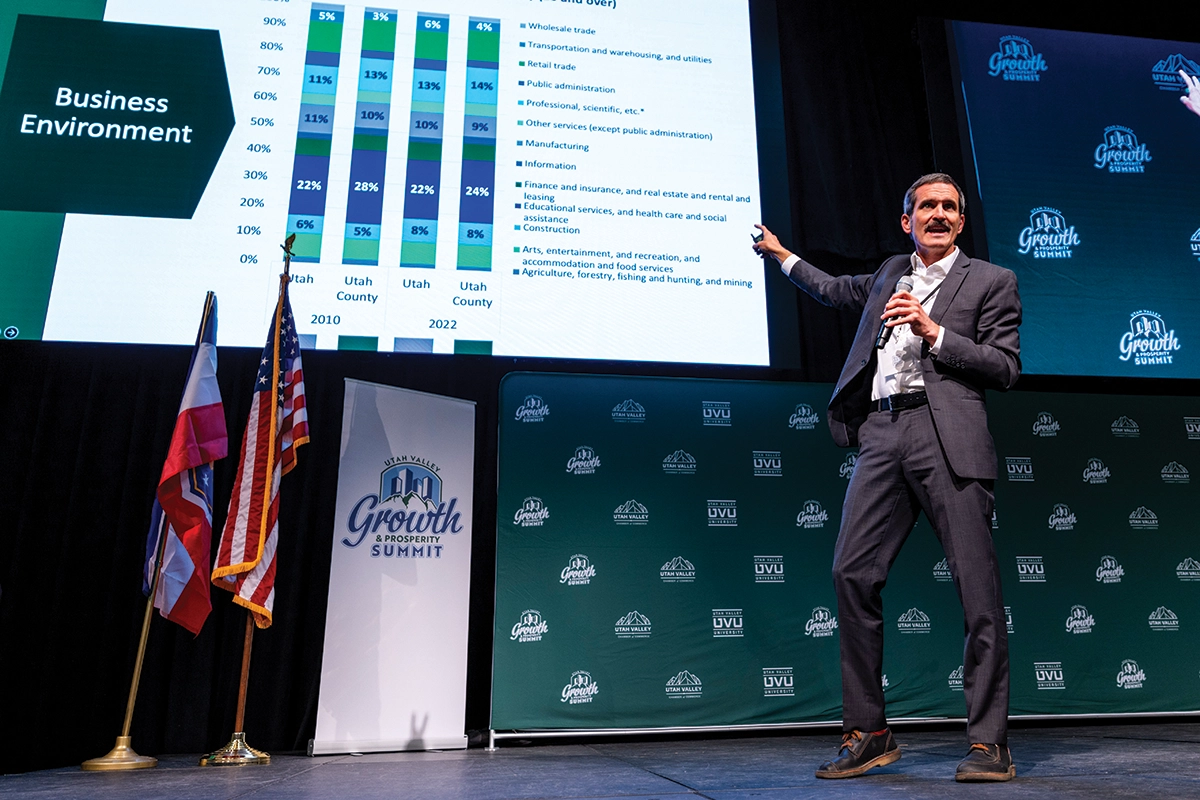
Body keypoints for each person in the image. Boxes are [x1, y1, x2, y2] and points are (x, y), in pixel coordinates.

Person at [754, 173, 1021, 782]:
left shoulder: (991, 281)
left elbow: (1005, 366)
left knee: (978, 593)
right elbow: (830, 288)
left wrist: (936, 333)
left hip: (946, 434)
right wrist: (780, 254)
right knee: (852, 572)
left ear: (960, 221)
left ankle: (988, 743)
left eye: (949, 207)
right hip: (882, 431)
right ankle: (869, 731)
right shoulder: (888, 273)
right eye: (927, 206)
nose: (939, 214)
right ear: (908, 220)